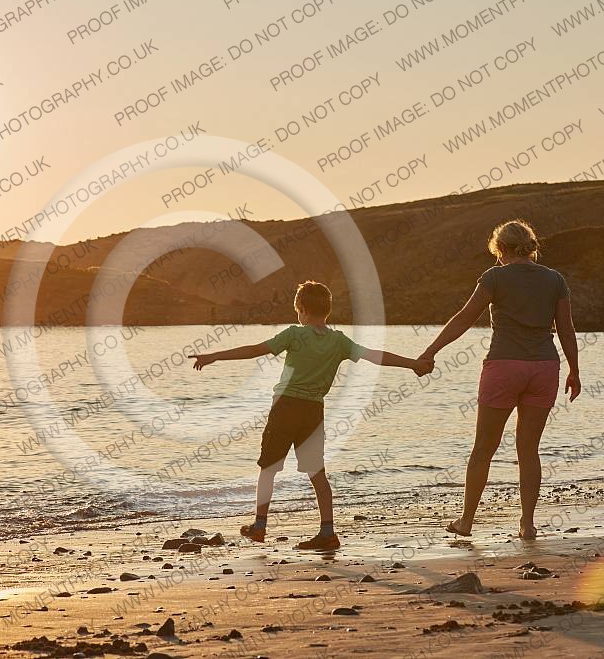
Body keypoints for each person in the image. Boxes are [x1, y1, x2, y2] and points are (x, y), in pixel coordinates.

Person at [191, 280, 433, 550]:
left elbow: (255, 350)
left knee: (268, 469)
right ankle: (327, 531)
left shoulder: (294, 335)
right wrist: (412, 364)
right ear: (327, 310)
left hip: (285, 409)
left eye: (298, 310)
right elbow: (375, 356)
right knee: (317, 474)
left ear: (301, 309)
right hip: (313, 412)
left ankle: (259, 526)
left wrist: (215, 356)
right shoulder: (339, 341)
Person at [417, 220, 581, 540]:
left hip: (504, 367)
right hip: (545, 367)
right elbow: (566, 328)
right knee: (529, 449)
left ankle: (466, 522)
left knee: (484, 449)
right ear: (531, 246)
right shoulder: (555, 279)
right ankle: (527, 524)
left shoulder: (494, 277)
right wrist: (574, 370)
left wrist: (430, 351)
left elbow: (465, 317)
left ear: (500, 248)